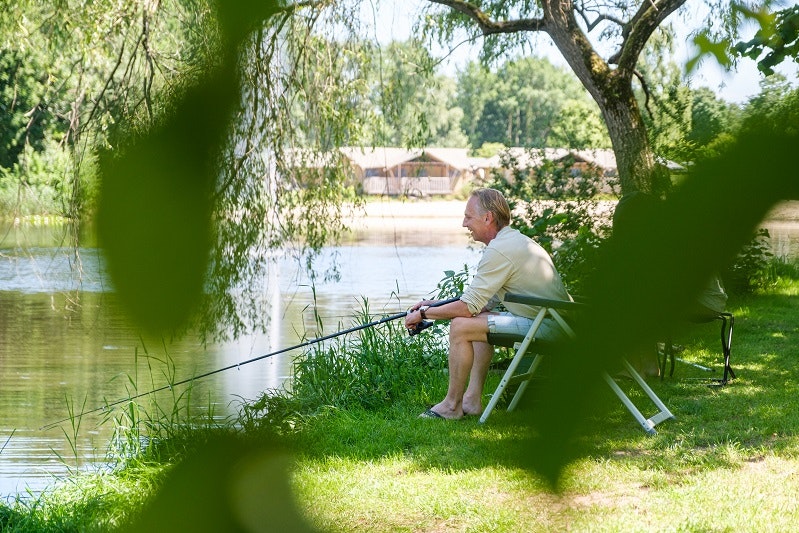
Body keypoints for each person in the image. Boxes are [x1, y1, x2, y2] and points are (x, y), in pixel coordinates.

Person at [405, 188, 571, 420]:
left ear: (488, 218)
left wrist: (424, 314)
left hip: (552, 328)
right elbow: (482, 302)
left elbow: (467, 308)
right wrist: (433, 304)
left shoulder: (500, 250)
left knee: (461, 325)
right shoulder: (513, 242)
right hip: (556, 323)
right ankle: (471, 401)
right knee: (472, 321)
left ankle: (452, 405)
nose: (464, 224)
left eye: (468, 217)